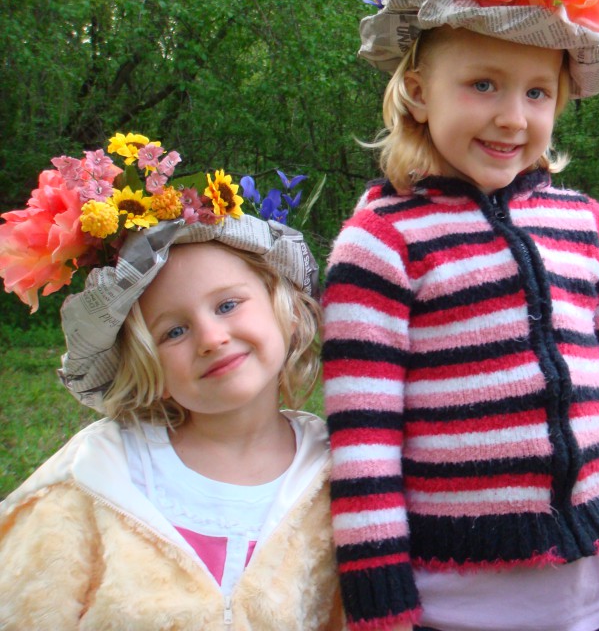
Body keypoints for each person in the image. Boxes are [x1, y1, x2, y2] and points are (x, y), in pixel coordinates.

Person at [322, 0, 599, 631]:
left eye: (537, 93)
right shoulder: (381, 242)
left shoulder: (590, 229)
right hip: (452, 599)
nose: (512, 117)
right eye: (482, 84)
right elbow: (363, 444)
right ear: (418, 91)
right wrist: (380, 601)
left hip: (589, 591)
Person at [0, 132, 344, 630]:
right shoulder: (98, 479)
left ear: (286, 312)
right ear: (149, 371)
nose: (210, 338)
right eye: (174, 332)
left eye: (228, 305)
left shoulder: (334, 474)